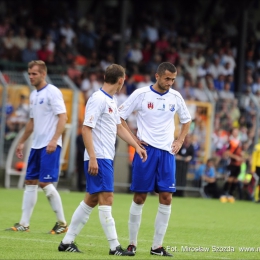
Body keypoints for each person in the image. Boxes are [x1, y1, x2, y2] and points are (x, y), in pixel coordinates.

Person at [58, 64, 147, 255]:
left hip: (103, 156)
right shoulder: (98, 99)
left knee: (91, 200)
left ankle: (67, 242)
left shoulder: (110, 101)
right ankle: (115, 247)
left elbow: (120, 128)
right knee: (107, 198)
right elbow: (86, 129)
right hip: (99, 156)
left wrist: (137, 146)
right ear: (121, 80)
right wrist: (92, 157)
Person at [118, 62, 191, 257]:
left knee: (166, 197)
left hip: (167, 153)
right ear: (157, 76)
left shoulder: (176, 96)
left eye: (173, 79)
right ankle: (132, 244)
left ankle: (157, 246)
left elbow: (187, 120)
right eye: (167, 78)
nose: (170, 83)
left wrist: (180, 140)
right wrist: (134, 140)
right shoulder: (141, 95)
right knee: (140, 197)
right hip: (146, 152)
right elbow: (120, 117)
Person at [6, 60, 68, 234]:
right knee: (30, 182)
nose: (30, 76)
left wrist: (54, 140)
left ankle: (62, 223)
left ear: (43, 74)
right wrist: (21, 142)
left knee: (45, 182)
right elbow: (32, 122)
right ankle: (24, 224)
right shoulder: (34, 95)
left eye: (34, 73)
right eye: (29, 73)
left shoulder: (53, 92)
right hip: (37, 145)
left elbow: (63, 117)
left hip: (50, 144)